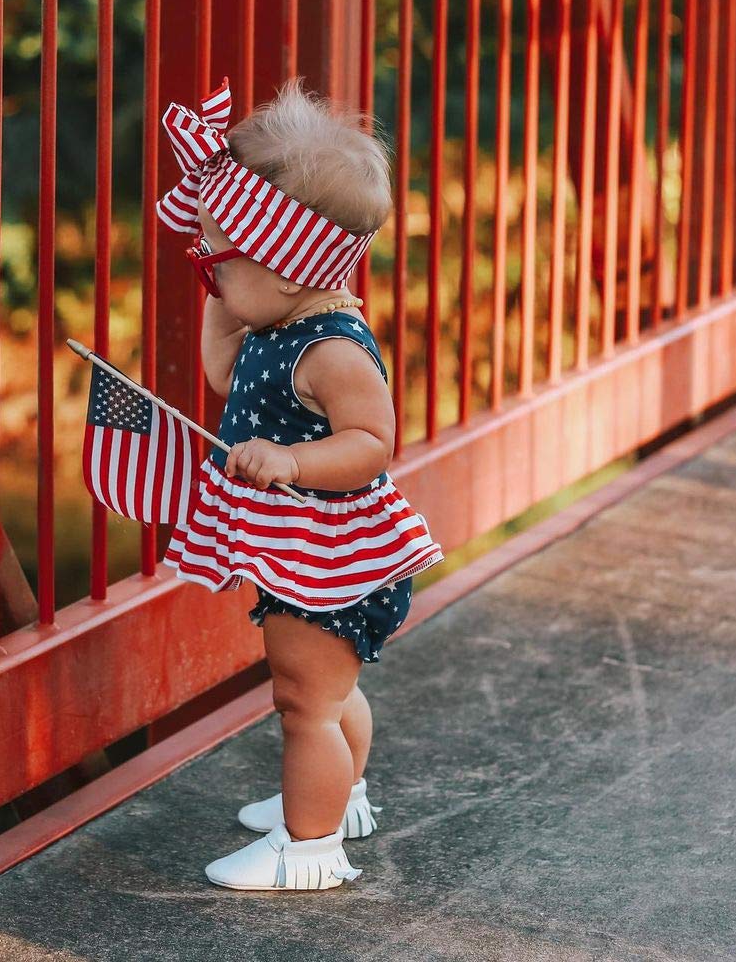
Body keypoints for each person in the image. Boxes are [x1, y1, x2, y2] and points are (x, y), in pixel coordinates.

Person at [155, 73, 445, 891]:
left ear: (285, 266)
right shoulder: (278, 319)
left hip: (331, 557)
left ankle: (309, 847)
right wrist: (222, 295)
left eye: (218, 256)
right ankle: (339, 795)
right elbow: (221, 379)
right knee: (331, 685)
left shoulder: (331, 350)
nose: (204, 266)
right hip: (299, 552)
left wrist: (292, 462)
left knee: (304, 704)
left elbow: (372, 443)